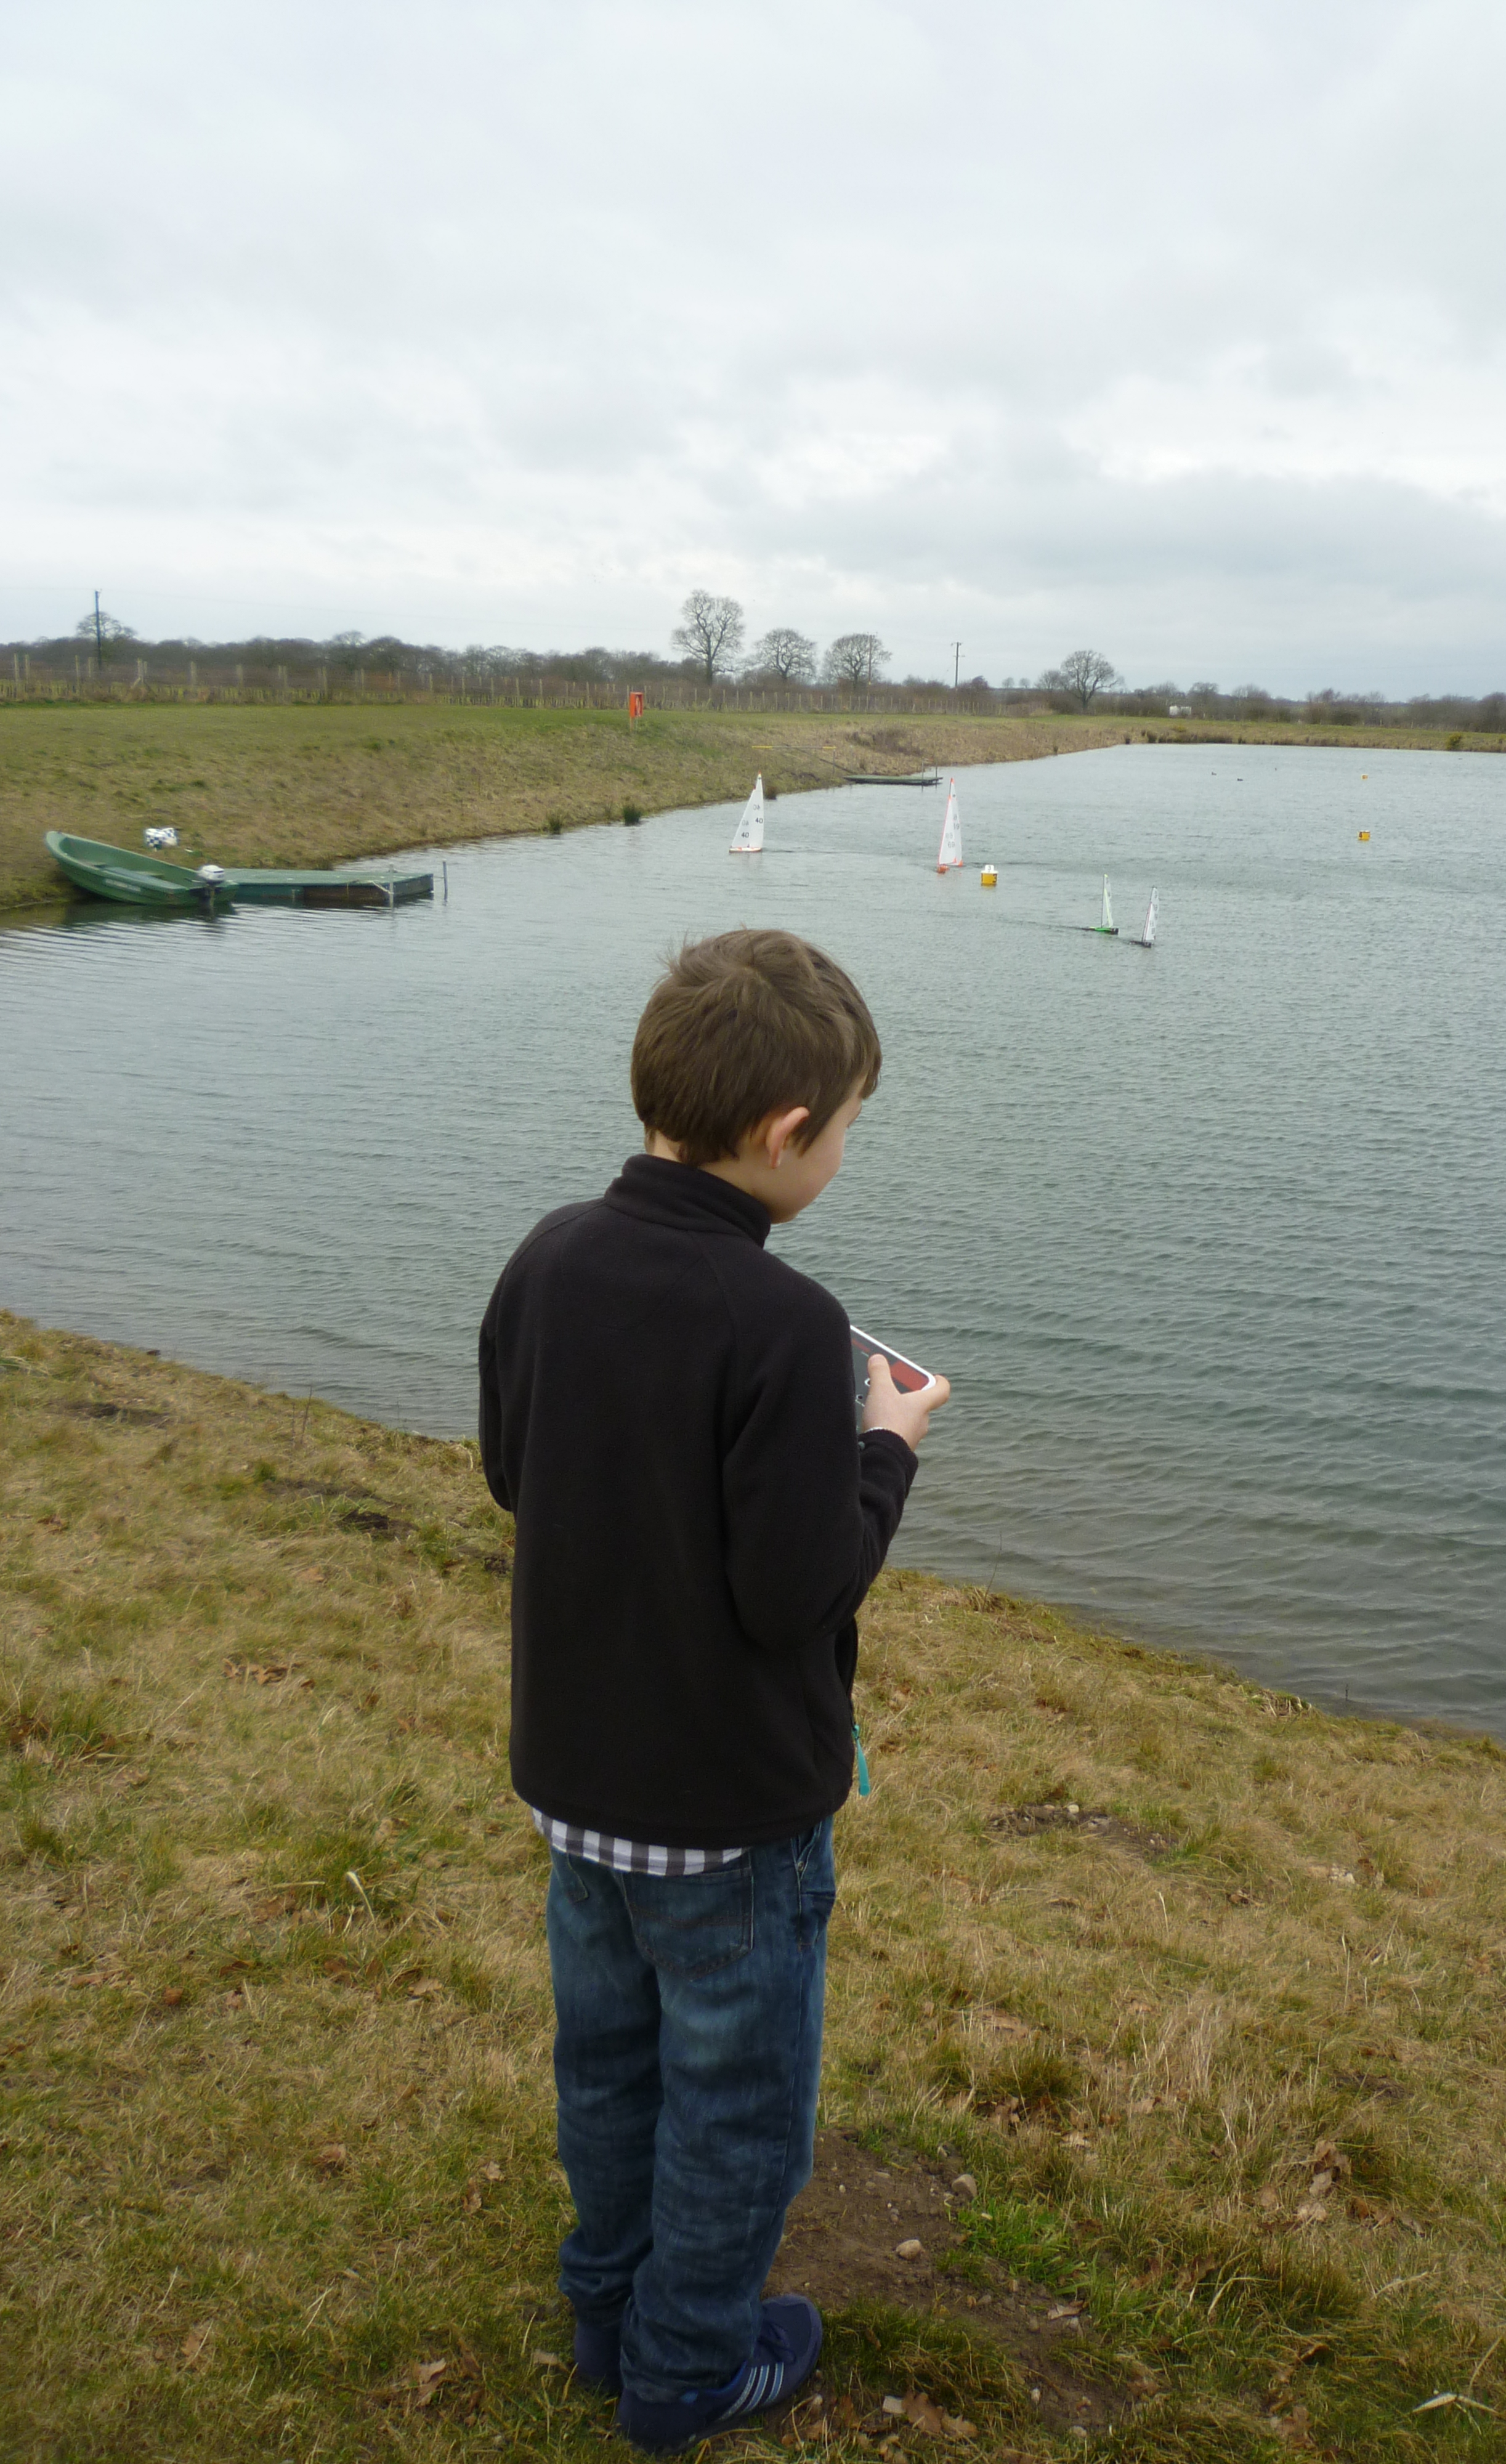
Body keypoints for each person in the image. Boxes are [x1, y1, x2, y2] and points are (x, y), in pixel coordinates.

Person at [478, 928, 949, 2455]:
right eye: (849, 1129)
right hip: (732, 1820)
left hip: (578, 1788)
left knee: (609, 2070)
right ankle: (685, 2365)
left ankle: (606, 2312)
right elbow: (798, 1590)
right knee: (736, 2107)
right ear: (787, 1130)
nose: (843, 1155)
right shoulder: (787, 1324)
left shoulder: (549, 1254)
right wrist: (885, 1448)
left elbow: (514, 1471)